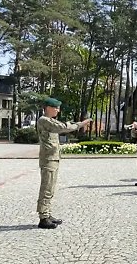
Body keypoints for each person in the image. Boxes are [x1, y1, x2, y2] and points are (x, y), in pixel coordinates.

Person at [36, 97, 92, 229]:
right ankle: (43, 218)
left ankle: (47, 214)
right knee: (46, 188)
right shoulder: (44, 120)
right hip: (48, 160)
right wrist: (81, 124)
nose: (58, 110)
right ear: (48, 108)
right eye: (56, 107)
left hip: (53, 159)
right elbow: (63, 127)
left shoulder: (50, 120)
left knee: (50, 188)